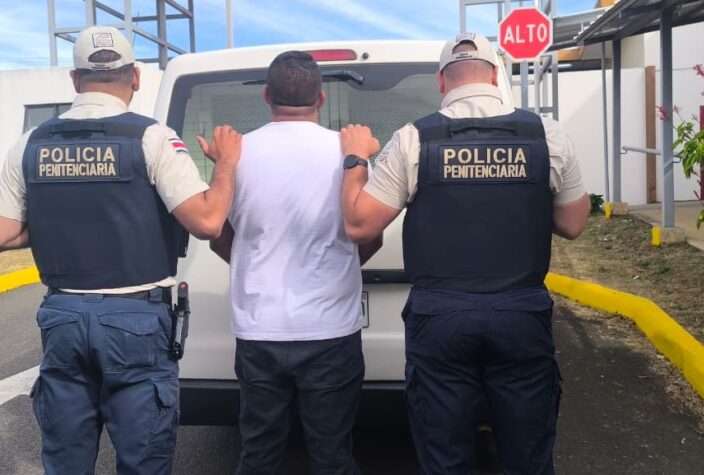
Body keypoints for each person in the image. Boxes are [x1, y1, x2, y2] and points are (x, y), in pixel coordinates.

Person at [339, 33, 590, 474]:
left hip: (440, 319)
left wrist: (356, 161)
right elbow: (572, 223)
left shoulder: (413, 139)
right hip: (520, 315)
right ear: (495, 76)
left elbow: (360, 225)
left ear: (441, 82)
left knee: (444, 456)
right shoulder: (546, 135)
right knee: (528, 456)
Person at [0, 26, 242, 474]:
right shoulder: (152, 139)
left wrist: (64, 219)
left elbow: (5, 233)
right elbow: (208, 221)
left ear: (75, 79)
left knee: (66, 460)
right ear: (135, 78)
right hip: (135, 321)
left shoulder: (30, 143)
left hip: (63, 316)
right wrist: (226, 164)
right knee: (142, 459)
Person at [209, 51, 382, 474]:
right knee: (332, 454)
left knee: (258, 453)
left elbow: (217, 234)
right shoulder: (348, 153)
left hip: (259, 329)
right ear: (320, 99)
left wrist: (251, 261)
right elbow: (370, 236)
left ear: (267, 96)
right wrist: (340, 264)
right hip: (331, 330)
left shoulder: (237, 155)